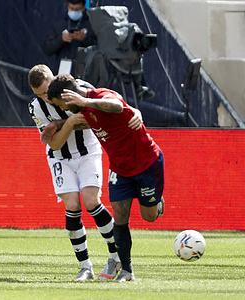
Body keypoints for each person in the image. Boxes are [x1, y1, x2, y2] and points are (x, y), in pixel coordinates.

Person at [27, 64, 142, 281]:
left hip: (88, 151)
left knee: (91, 201)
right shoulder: (36, 107)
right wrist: (70, 122)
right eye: (39, 94)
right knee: (72, 205)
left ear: (54, 80)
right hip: (60, 157)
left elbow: (100, 114)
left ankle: (115, 255)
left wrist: (62, 123)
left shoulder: (79, 88)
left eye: (46, 91)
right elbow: (55, 145)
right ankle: (85, 266)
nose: (45, 97)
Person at [47, 74, 165, 283]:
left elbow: (117, 106)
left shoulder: (99, 96)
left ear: (67, 97)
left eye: (60, 104)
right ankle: (127, 271)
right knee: (119, 216)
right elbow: (85, 121)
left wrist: (87, 102)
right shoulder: (82, 111)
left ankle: (156, 202)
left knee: (149, 216)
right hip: (120, 168)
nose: (63, 109)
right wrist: (58, 124)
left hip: (146, 162)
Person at [42, 0, 97, 76]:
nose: (74, 11)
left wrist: (85, 39)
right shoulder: (60, 24)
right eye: (72, 8)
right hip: (62, 70)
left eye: (77, 9)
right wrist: (61, 39)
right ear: (67, 6)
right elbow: (47, 49)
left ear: (84, 7)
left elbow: (100, 48)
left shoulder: (92, 24)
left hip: (84, 71)